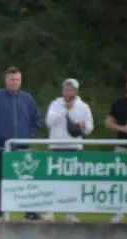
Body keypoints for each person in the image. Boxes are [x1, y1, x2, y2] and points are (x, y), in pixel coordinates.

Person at [0, 66, 42, 220]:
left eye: (17, 79)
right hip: (1, 146)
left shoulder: (27, 99)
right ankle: (0, 212)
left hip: (22, 146)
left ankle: (28, 212)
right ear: (6, 80)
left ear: (21, 81)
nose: (15, 82)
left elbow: (36, 120)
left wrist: (30, 134)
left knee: (26, 179)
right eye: (12, 79)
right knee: (1, 179)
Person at [43, 78, 94, 223]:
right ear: (62, 89)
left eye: (71, 89)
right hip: (56, 147)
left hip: (74, 147)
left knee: (72, 182)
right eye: (66, 88)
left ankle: (70, 213)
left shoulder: (83, 106)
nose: (68, 91)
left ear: (76, 91)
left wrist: (82, 125)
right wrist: (65, 110)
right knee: (53, 181)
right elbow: (49, 122)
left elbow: (90, 128)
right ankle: (50, 212)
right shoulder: (55, 104)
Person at [105, 72, 127, 224]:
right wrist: (121, 128)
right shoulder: (120, 103)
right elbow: (108, 122)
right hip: (122, 146)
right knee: (118, 180)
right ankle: (118, 212)